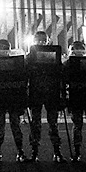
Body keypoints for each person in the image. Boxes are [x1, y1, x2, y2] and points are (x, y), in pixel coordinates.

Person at [26, 31, 67, 163]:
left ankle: (57, 151)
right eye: (39, 40)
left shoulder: (54, 53)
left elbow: (60, 72)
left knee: (53, 124)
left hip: (50, 92)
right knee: (35, 124)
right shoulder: (30, 56)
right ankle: (34, 152)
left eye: (43, 40)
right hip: (37, 92)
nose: (41, 42)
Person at [0, 38, 30, 162]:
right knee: (3, 126)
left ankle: (13, 151)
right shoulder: (14, 61)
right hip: (5, 99)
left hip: (7, 99)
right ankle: (1, 151)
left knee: (8, 126)